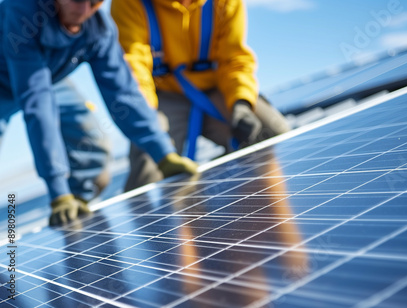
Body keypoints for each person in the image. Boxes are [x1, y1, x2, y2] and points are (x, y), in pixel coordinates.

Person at [0, 0, 197, 226]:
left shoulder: (99, 28)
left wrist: (164, 154)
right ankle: (63, 197)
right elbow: (37, 103)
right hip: (19, 80)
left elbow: (123, 93)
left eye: (94, 3)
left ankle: (75, 215)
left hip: (49, 78)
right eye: (76, 0)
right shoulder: (22, 12)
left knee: (92, 151)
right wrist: (57, 191)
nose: (84, 11)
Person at [110, 0, 291, 191]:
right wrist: (146, 117)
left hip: (217, 88)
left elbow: (233, 59)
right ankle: (152, 215)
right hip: (163, 95)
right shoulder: (130, 3)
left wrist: (241, 102)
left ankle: (242, 198)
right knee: (150, 156)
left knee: (271, 132)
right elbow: (133, 67)